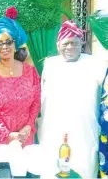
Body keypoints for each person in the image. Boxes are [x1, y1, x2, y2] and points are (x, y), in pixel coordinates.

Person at [39, 20, 107, 178]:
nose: (70, 47)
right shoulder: (50, 65)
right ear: (58, 45)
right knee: (52, 171)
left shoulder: (96, 64)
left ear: (81, 43)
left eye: (75, 43)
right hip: (53, 133)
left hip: (85, 134)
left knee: (84, 170)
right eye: (66, 43)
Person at [0, 17, 41, 157]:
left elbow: (36, 101)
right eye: (0, 43)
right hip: (0, 137)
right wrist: (9, 135)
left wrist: (28, 125)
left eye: (8, 42)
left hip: (25, 135)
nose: (5, 47)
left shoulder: (31, 72)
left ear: (15, 45)